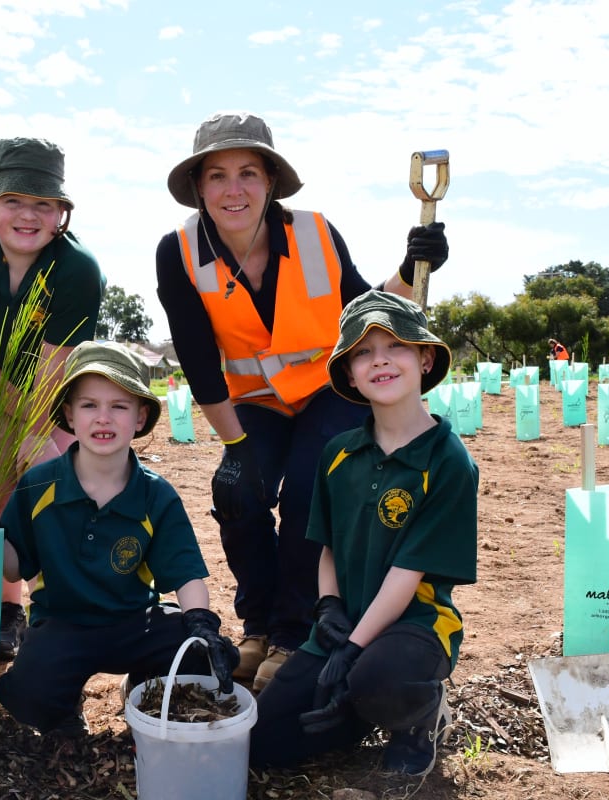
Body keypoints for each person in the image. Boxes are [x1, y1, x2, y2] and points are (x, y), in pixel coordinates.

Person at [155, 112, 450, 692]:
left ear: (270, 182)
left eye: (247, 173)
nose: (232, 189)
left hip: (327, 393)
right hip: (253, 403)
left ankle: (292, 632)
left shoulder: (315, 233)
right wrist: (235, 447)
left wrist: (413, 265)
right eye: (216, 176)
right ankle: (256, 626)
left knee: (311, 491)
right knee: (236, 491)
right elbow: (196, 361)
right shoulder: (179, 252)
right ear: (199, 188)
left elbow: (363, 309)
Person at [249, 290, 478, 776]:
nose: (380, 361)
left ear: (425, 357)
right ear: (349, 374)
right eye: (362, 352)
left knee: (381, 678)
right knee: (265, 740)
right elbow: (328, 545)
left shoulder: (448, 460)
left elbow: (406, 571)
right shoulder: (338, 453)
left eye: (395, 346)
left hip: (412, 625)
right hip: (344, 624)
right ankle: (357, 708)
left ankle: (420, 718)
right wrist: (329, 608)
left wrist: (353, 651)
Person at [0, 341, 238, 734]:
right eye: (89, 405)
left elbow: (186, 574)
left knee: (196, 652)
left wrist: (201, 623)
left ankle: (144, 686)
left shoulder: (156, 495)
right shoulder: (38, 484)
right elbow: (16, 565)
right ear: (69, 414)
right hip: (62, 624)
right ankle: (64, 704)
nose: (103, 418)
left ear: (140, 417)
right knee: (31, 699)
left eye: (119, 406)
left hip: (133, 623)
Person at [0, 136, 104, 660]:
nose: (26, 215)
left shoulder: (77, 270)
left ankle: (52, 608)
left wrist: (38, 446)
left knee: (55, 492)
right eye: (12, 201)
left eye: (42, 204)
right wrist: (17, 445)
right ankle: (5, 609)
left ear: (60, 215)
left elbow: (53, 371)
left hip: (52, 388)